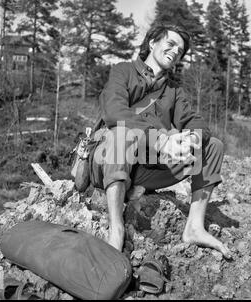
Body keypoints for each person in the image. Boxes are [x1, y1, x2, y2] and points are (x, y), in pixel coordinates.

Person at [88, 23, 232, 259]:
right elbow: (114, 113)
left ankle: (194, 227)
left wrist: (191, 139)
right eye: (171, 44)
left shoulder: (174, 91)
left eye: (181, 50)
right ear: (153, 42)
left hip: (145, 169)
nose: (176, 51)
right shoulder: (122, 71)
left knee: (213, 146)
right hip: (108, 161)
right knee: (123, 132)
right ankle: (116, 229)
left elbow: (197, 123)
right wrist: (162, 141)